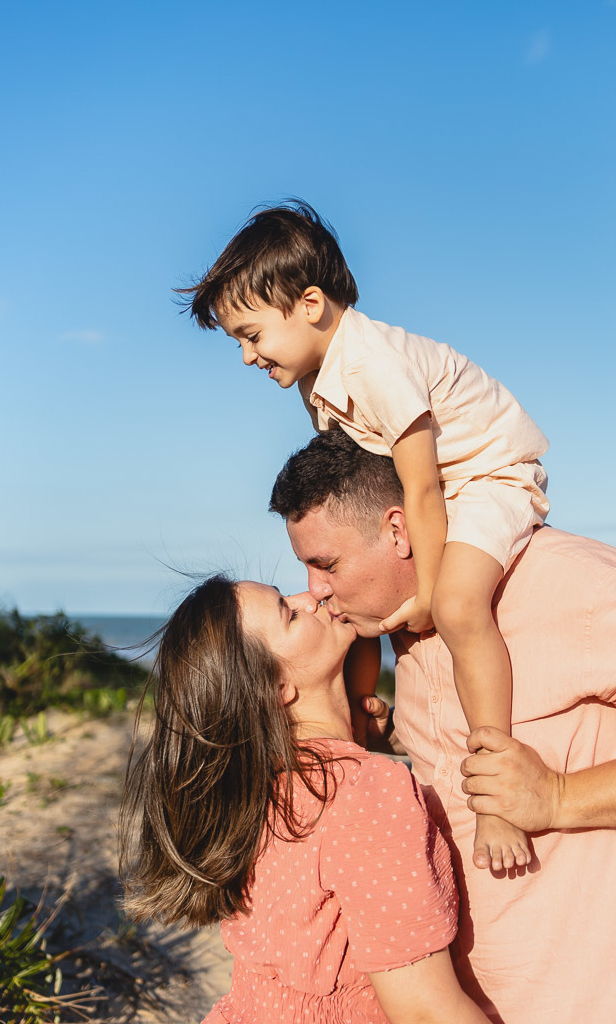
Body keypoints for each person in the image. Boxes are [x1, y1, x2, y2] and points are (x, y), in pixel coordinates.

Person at [269, 430, 616, 1024]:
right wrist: (396, 740)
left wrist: (557, 796)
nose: (314, 588)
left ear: (397, 530)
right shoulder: (400, 624)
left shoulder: (578, 584)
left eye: (326, 564)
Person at [179, 201, 549, 873]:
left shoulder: (376, 365)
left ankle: (497, 787)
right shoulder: (317, 382)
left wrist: (429, 595)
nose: (247, 356)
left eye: (252, 335)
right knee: (352, 610)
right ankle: (360, 732)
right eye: (238, 341)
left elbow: (422, 489)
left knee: (459, 607)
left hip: (486, 475)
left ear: (310, 305)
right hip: (433, 487)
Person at [120, 574, 522, 1024]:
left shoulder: (256, 788)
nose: (310, 597)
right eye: (289, 614)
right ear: (277, 687)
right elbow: (427, 1017)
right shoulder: (365, 792)